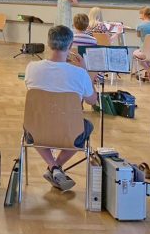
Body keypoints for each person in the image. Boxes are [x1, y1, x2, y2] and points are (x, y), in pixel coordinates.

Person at [24, 25, 97, 192]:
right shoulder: (80, 74)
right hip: (70, 132)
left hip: (36, 130)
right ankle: (56, 166)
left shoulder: (31, 68)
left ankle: (53, 166)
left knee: (33, 125)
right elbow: (92, 101)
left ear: (48, 43)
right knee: (86, 127)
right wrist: (85, 71)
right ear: (70, 45)